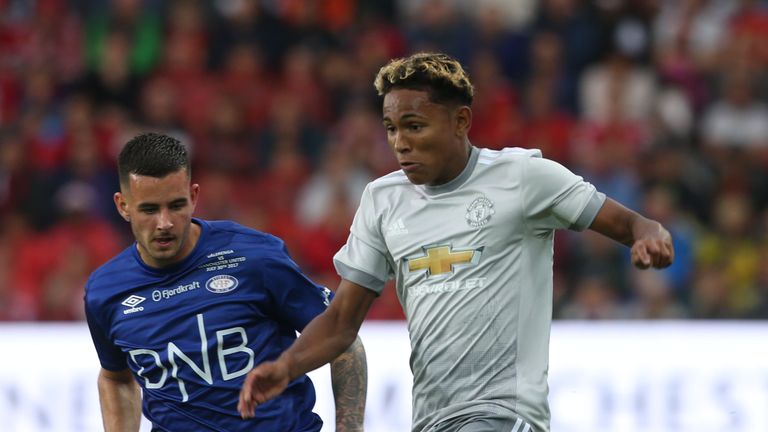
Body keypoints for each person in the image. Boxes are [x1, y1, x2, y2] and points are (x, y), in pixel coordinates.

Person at [238, 52, 675, 432]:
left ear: (461, 120)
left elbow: (632, 223)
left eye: (414, 126)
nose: (400, 143)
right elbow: (340, 322)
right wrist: (287, 366)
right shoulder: (382, 200)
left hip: (506, 412)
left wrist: (648, 237)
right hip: (432, 418)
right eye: (391, 129)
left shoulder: (522, 178)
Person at [84, 132, 367, 432]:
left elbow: (343, 338)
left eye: (176, 205)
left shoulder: (254, 257)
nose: (164, 223)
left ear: (194, 197)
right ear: (123, 205)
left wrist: (349, 428)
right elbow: (115, 377)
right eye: (149, 210)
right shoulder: (106, 293)